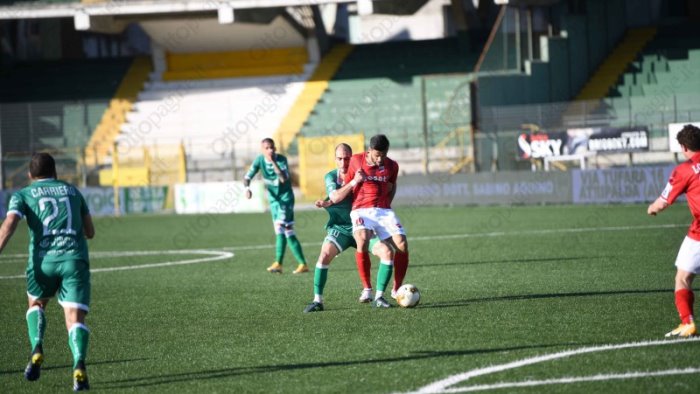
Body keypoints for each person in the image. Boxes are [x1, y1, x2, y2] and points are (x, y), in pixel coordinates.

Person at [0, 152, 95, 391]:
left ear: (30, 175)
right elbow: (90, 231)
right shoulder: (73, 191)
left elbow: (10, 224)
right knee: (74, 319)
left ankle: (37, 346)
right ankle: (78, 365)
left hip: (42, 263)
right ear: (56, 172)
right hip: (74, 260)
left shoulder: (23, 194)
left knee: (37, 305)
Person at [304, 143, 395, 312]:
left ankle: (379, 297)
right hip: (342, 228)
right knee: (324, 255)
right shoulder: (331, 177)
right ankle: (317, 301)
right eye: (340, 158)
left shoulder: (365, 172)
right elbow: (336, 196)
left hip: (365, 225)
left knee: (387, 252)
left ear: (352, 158)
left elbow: (388, 186)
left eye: (347, 158)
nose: (344, 162)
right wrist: (353, 183)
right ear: (335, 159)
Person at [344, 134, 410, 308]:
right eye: (376, 155)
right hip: (361, 209)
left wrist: (387, 203)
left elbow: (392, 185)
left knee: (402, 244)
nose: (380, 158)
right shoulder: (356, 161)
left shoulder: (392, 165)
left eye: (383, 154)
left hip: (383, 210)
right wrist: (355, 181)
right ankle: (367, 288)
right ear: (369, 150)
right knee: (363, 239)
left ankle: (396, 289)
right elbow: (347, 184)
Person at [648, 124, 700, 338]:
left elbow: (662, 202)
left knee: (682, 277)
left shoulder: (684, 170)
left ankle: (687, 322)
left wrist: (651, 208)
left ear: (683, 147)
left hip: (699, 233)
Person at [244, 138, 308, 274]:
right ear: (262, 150)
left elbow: (283, 178)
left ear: (275, 148)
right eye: (267, 148)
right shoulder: (259, 160)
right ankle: (302, 264)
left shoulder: (281, 160)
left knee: (281, 227)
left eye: (272, 147)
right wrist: (247, 188)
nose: (270, 150)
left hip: (285, 200)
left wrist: (273, 161)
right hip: (274, 201)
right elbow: (247, 176)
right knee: (287, 231)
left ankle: (279, 263)